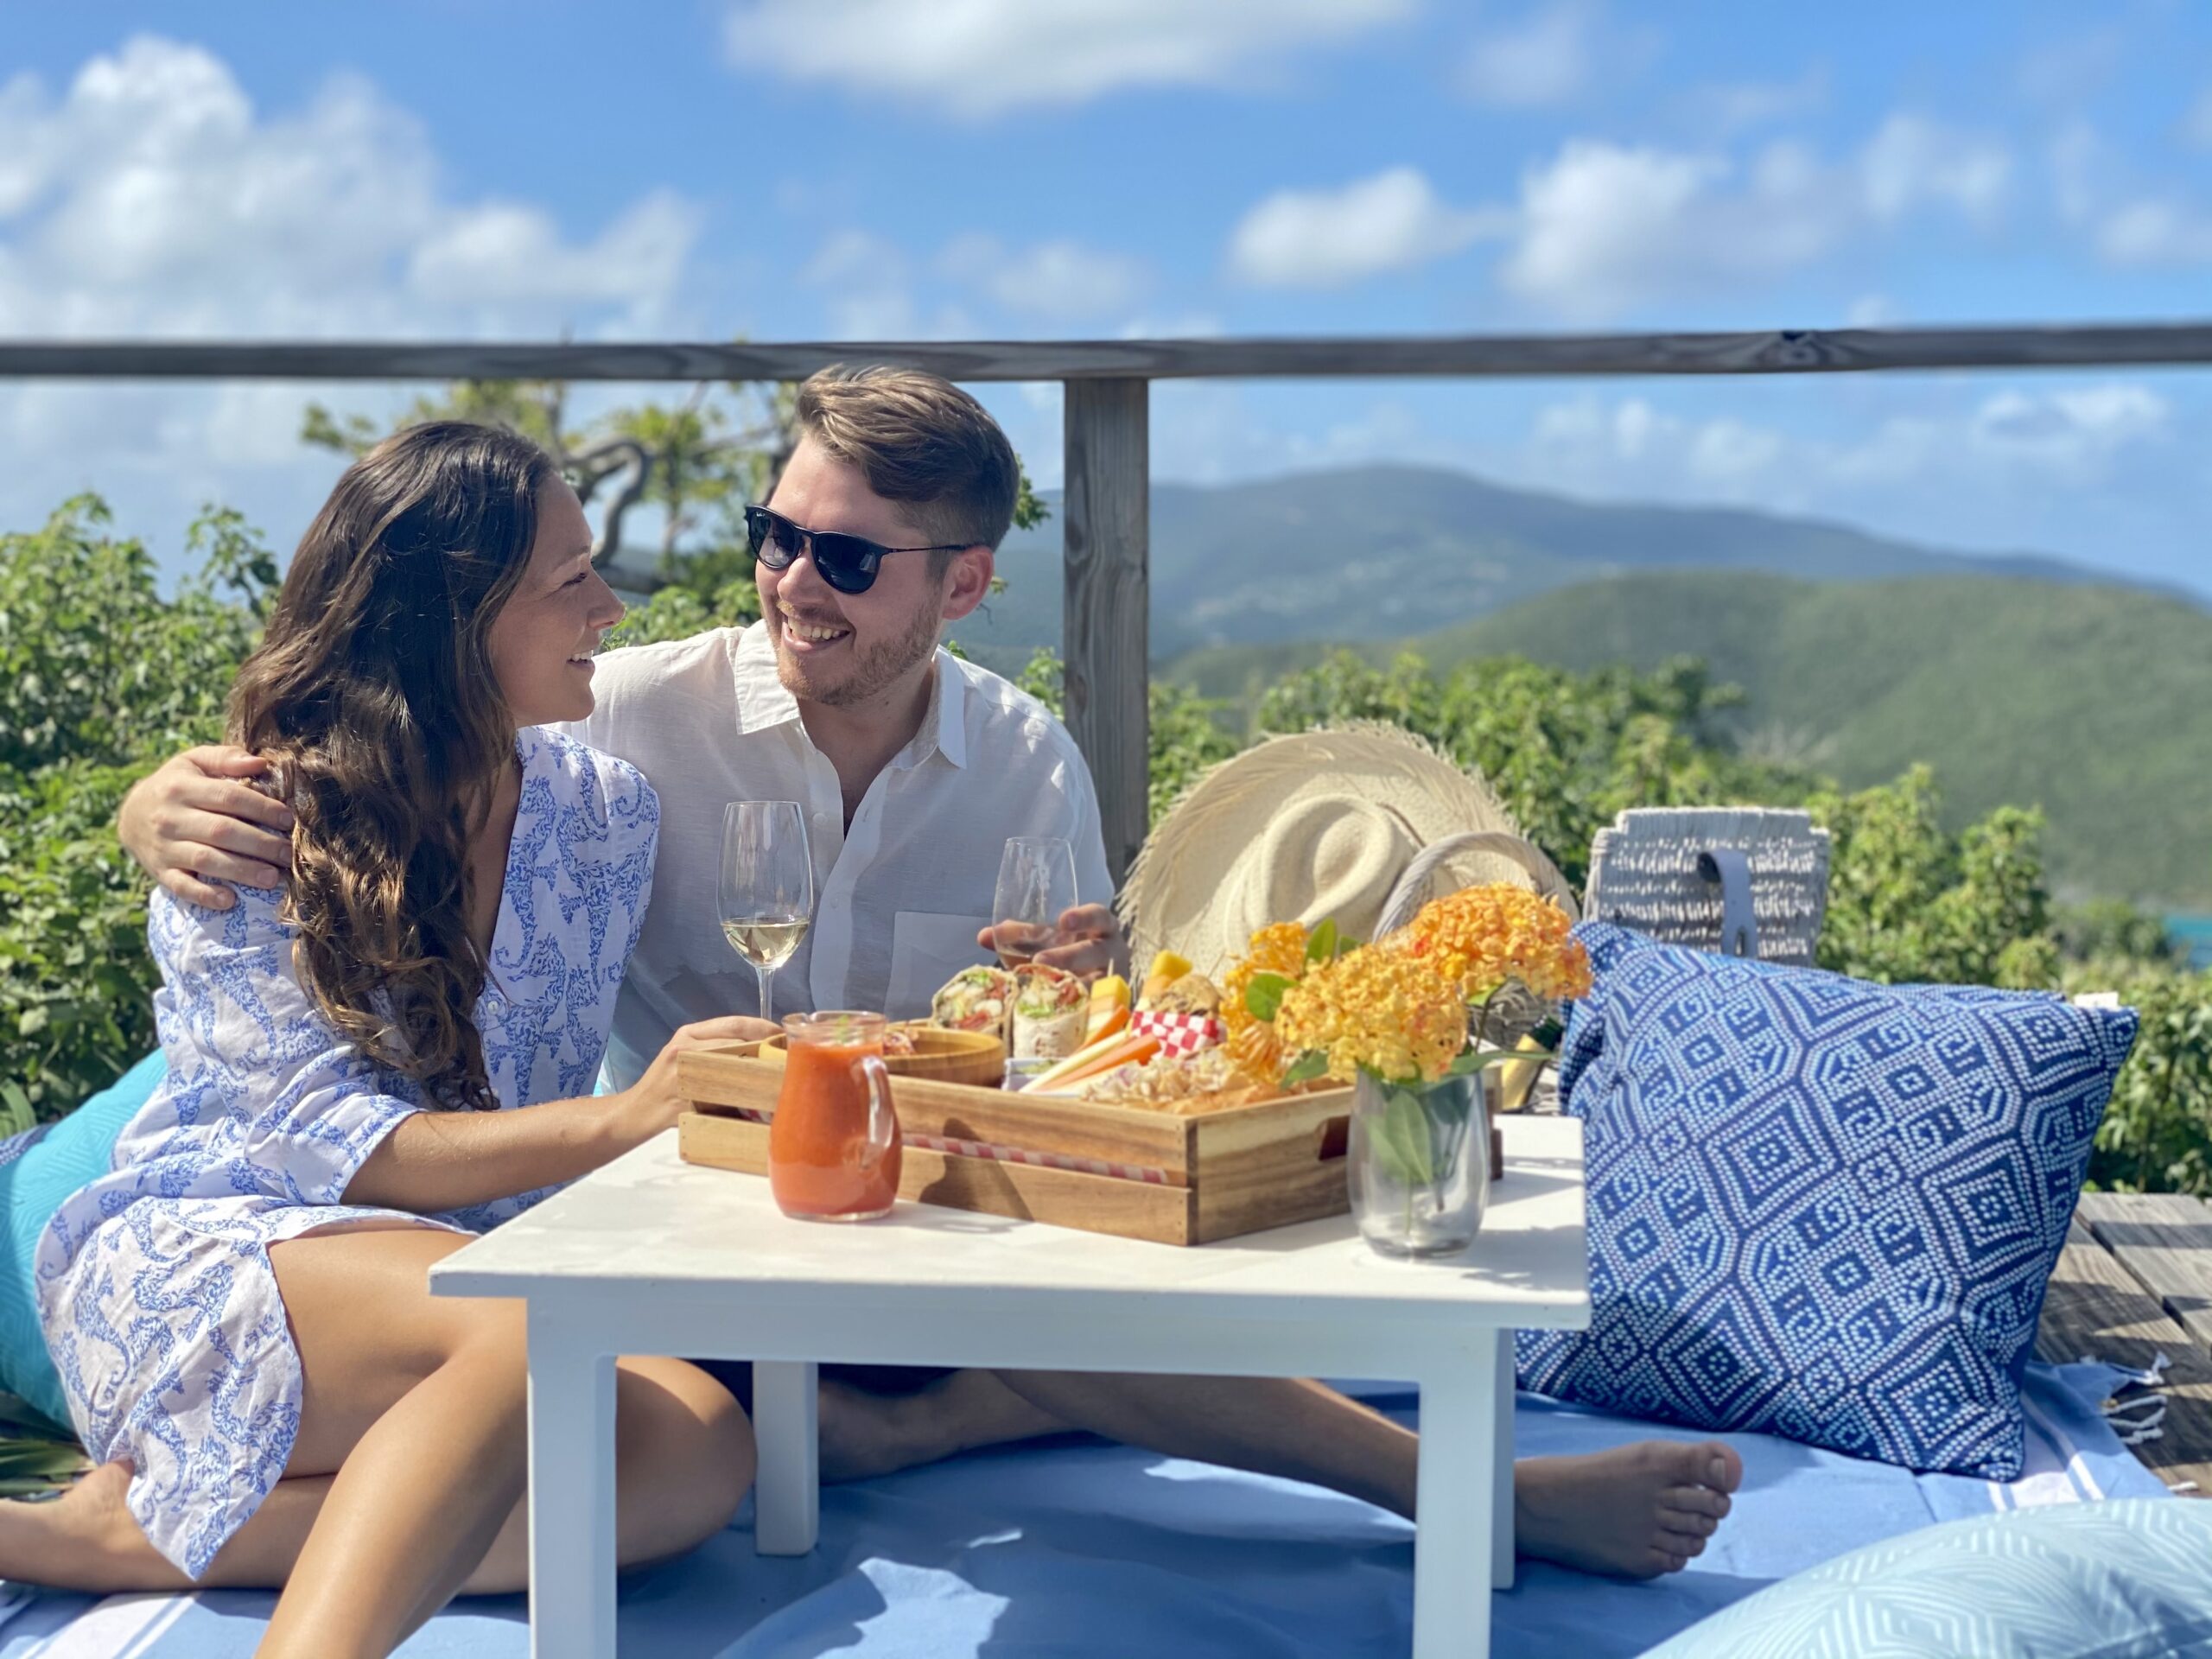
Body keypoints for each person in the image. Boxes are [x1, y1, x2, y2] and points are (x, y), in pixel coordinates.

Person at [115, 369, 1740, 1583]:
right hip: (688, 1215)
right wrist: (158, 802)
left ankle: (1460, 1491)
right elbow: (377, 735)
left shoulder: (1019, 765)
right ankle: (929, 1417)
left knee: (1012, 1272)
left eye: (846, 559)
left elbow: (1064, 1038)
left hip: (911, 1205)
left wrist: (1074, 998)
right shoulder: (623, 723)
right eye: (776, 537)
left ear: (962, 585)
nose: (787, 583)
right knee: (748, 1413)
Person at [17, 423, 759, 1659]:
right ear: (452, 617)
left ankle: (107, 1539)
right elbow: (333, 1152)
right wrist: (630, 1119)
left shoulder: (604, 813)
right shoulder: (254, 826)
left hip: (453, 1279)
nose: (610, 604)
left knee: (701, 1447)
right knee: (529, 1326)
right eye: (570, 580)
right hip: (224, 1249)